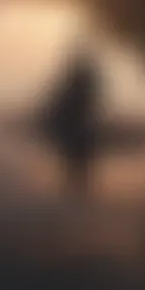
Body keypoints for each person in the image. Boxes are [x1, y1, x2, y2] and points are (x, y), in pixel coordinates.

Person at [41, 36, 102, 196]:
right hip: (73, 118)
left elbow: (83, 98)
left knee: (73, 148)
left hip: (75, 119)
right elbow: (65, 96)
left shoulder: (84, 77)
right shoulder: (81, 76)